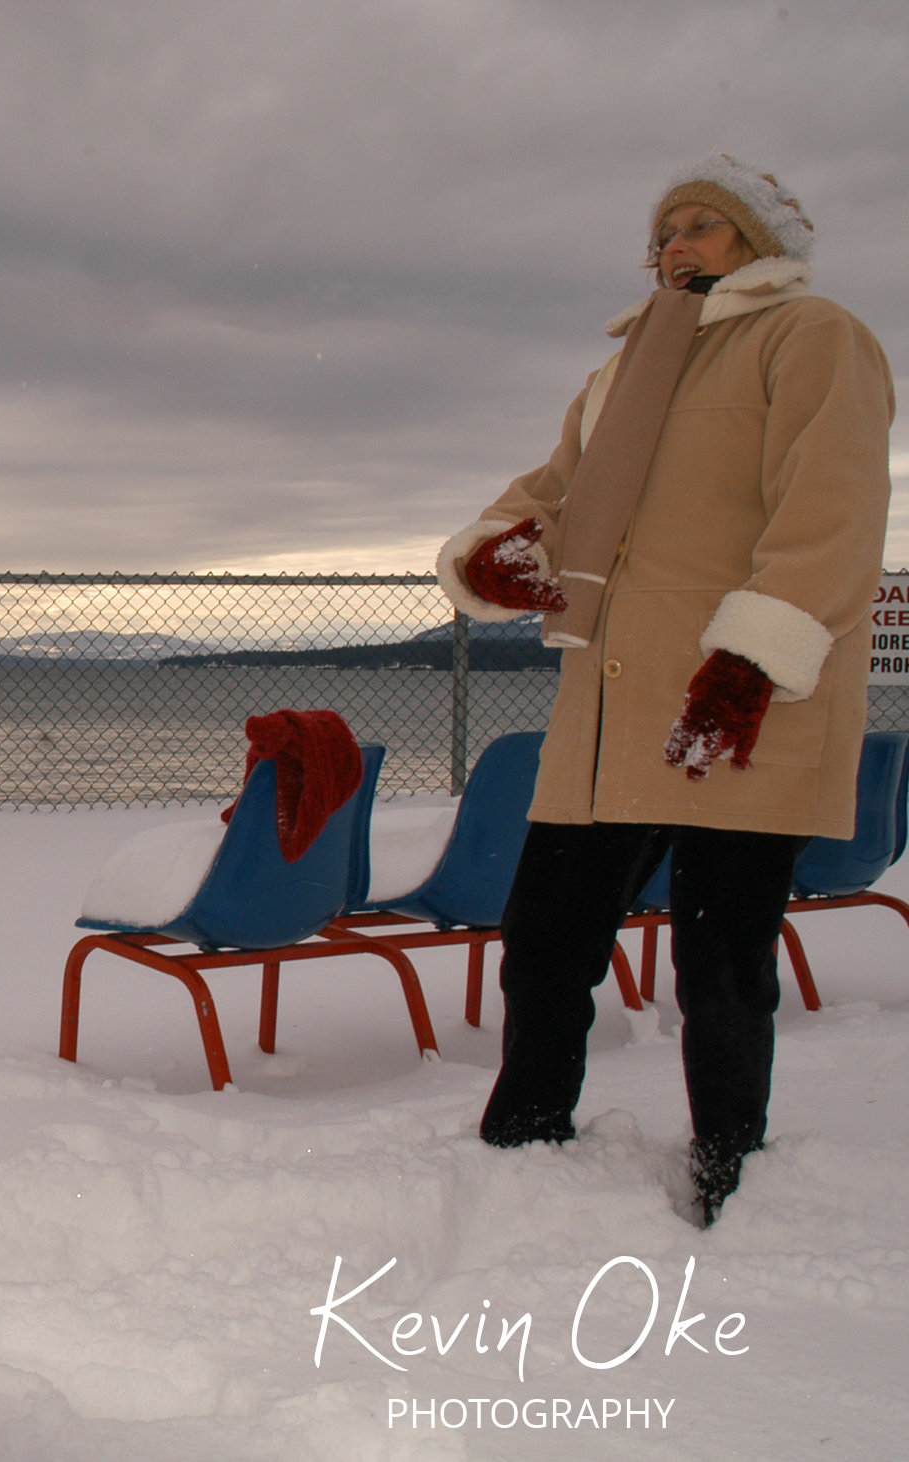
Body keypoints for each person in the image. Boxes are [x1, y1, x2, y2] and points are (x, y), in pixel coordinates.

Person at [436, 155, 895, 1226]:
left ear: (758, 244)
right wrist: (495, 554)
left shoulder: (811, 337)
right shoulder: (626, 367)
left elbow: (829, 511)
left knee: (719, 953)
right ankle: (524, 1144)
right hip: (610, 695)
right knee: (545, 933)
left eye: (702, 225)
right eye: (665, 230)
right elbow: (551, 494)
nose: (675, 243)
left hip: (734, 697)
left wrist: (751, 657)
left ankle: (731, 1170)